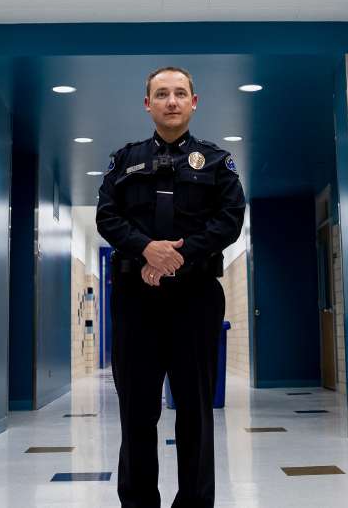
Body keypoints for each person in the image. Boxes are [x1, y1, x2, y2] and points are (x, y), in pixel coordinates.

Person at [96, 66, 246, 508]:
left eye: (180, 93)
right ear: (148, 104)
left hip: (195, 299)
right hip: (135, 302)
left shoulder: (217, 163)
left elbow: (230, 220)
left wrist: (174, 257)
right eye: (162, 94)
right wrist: (146, 250)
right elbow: (107, 217)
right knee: (137, 412)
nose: (172, 101)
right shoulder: (124, 161)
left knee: (196, 412)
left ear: (194, 102)